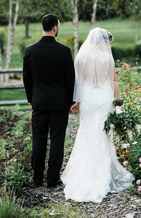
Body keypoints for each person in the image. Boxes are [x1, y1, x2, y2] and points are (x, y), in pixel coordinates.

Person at [61, 27, 134, 203]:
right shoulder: (107, 57)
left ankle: (82, 172)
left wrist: (76, 101)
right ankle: (103, 171)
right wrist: (119, 102)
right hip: (103, 97)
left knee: (86, 131)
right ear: (104, 42)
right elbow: (112, 81)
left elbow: (77, 83)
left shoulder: (81, 57)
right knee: (103, 133)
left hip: (87, 98)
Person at [23, 14, 75, 188]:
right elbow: (70, 79)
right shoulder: (64, 51)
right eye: (58, 26)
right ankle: (52, 180)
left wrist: (31, 99)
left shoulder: (30, 50)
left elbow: (27, 78)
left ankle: (37, 179)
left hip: (39, 102)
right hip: (59, 103)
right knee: (57, 140)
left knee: (38, 140)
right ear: (55, 28)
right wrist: (70, 101)